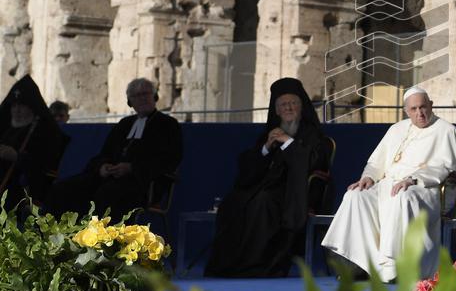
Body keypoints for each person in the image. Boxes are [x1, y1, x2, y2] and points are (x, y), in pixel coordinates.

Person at [323, 86, 456, 281]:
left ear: (431, 105)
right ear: (406, 111)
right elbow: (376, 162)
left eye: (423, 107)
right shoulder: (396, 129)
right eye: (413, 109)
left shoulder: (447, 131)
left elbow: (445, 168)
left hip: (426, 189)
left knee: (402, 196)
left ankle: (396, 268)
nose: (419, 113)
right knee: (355, 195)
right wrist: (368, 177)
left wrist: (414, 179)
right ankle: (360, 265)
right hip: (388, 184)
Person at [205, 77, 332, 278]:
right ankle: (233, 265)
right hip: (265, 190)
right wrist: (265, 148)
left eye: (293, 103)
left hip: (295, 195)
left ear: (302, 107)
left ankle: (258, 265)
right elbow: (248, 169)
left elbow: (313, 164)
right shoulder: (269, 134)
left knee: (263, 201)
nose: (288, 108)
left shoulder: (314, 136)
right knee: (234, 201)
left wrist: (288, 142)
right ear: (276, 110)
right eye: (283, 104)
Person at [46, 78, 182, 221]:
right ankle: (57, 238)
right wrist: (103, 167)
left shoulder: (168, 125)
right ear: (130, 102)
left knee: (107, 194)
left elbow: (169, 159)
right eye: (136, 96)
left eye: (146, 94)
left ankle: (101, 241)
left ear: (154, 97)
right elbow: (105, 153)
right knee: (63, 189)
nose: (142, 99)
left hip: (144, 183)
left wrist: (131, 168)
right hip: (110, 178)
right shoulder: (124, 124)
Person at [0, 76, 67, 207]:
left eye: (22, 106)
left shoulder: (44, 132)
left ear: (32, 108)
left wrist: (16, 157)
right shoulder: (5, 128)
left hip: (22, 186)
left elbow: (46, 166)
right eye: (14, 105)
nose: (17, 111)